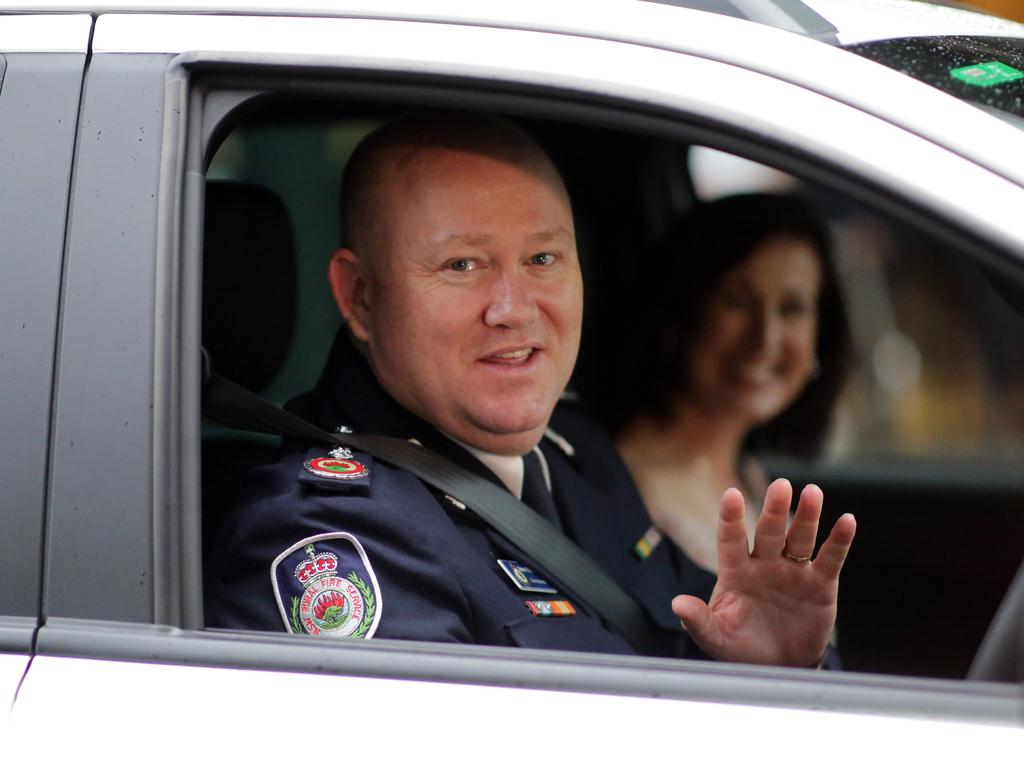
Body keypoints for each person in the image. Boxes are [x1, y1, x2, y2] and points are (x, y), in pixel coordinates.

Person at [204, 111, 855, 667]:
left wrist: (766, 675)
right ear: (361, 297)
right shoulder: (334, 538)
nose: (514, 309)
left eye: (543, 259)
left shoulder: (579, 455)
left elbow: (678, 644)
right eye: (463, 265)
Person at [609, 194, 852, 573]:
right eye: (736, 301)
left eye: (792, 308)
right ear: (680, 313)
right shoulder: (617, 483)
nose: (765, 339)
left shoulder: (748, 474)